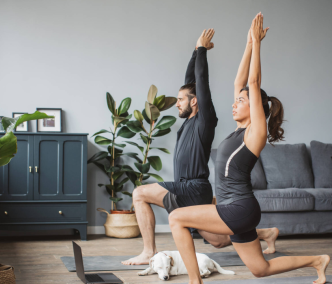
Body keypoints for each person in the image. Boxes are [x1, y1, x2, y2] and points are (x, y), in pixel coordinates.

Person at [168, 13, 330, 284]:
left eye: (241, 101)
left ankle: (195, 282)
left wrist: (258, 44)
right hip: (238, 208)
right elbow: (240, 82)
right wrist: (247, 43)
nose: (234, 102)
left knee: (176, 218)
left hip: (237, 208)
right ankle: (318, 260)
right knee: (260, 269)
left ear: (254, 107)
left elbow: (252, 83)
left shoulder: (256, 132)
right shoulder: (239, 130)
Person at [122, 27, 277, 266]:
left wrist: (203, 50)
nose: (177, 104)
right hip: (185, 189)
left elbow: (200, 82)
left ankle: (148, 251)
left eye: (181, 100)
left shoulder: (205, 120)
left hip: (194, 187)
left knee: (139, 193)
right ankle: (265, 233)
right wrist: (196, 52)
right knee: (218, 241)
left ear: (195, 102)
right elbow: (191, 81)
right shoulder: (188, 122)